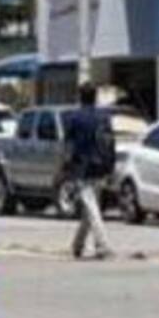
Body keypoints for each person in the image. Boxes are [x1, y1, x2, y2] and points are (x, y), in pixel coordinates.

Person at [63, 82, 115, 261]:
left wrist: (66, 167)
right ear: (95, 97)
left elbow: (68, 146)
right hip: (101, 166)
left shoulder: (75, 118)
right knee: (90, 207)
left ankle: (102, 245)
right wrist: (110, 165)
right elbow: (110, 143)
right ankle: (78, 244)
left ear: (80, 96)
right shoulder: (104, 118)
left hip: (82, 167)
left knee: (91, 208)